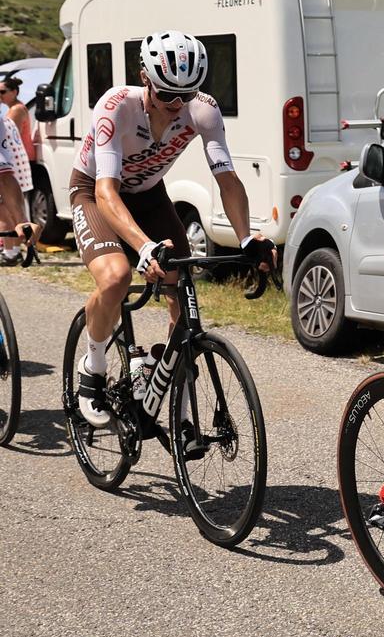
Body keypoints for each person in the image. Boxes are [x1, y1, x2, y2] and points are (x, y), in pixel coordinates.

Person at [72, 30, 276, 429]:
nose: (176, 105)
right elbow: (106, 190)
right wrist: (145, 247)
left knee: (182, 295)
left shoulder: (203, 111)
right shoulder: (115, 107)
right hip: (96, 194)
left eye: (187, 95)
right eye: (167, 95)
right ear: (145, 77)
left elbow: (228, 180)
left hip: (149, 196)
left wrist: (247, 238)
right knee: (115, 277)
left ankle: (175, 396)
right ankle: (93, 366)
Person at [0, 113, 38, 250]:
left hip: (10, 174)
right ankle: (14, 250)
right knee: (10, 214)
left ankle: (10, 252)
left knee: (4, 214)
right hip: (19, 173)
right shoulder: (6, 119)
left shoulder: (13, 113)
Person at [0, 76, 35, 163]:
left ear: (14, 92)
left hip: (21, 160)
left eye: (2, 92)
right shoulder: (17, 107)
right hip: (22, 158)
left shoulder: (16, 110)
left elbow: (7, 136)